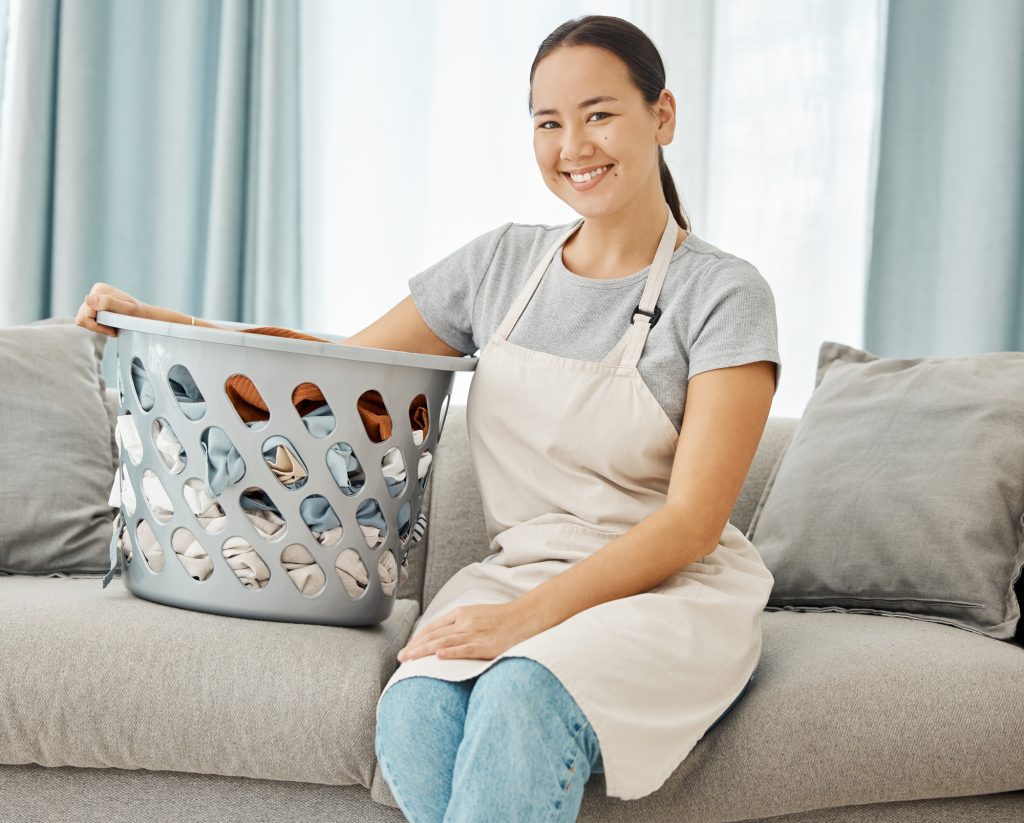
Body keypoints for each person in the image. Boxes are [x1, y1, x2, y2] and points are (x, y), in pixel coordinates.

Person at [78, 14, 781, 822]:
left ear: (662, 116)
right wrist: (167, 324)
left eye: (598, 114)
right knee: (414, 713)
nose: (573, 146)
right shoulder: (501, 265)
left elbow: (692, 523)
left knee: (522, 691)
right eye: (548, 123)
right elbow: (335, 368)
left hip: (666, 593)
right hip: (520, 571)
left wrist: (519, 623)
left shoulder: (724, 295)